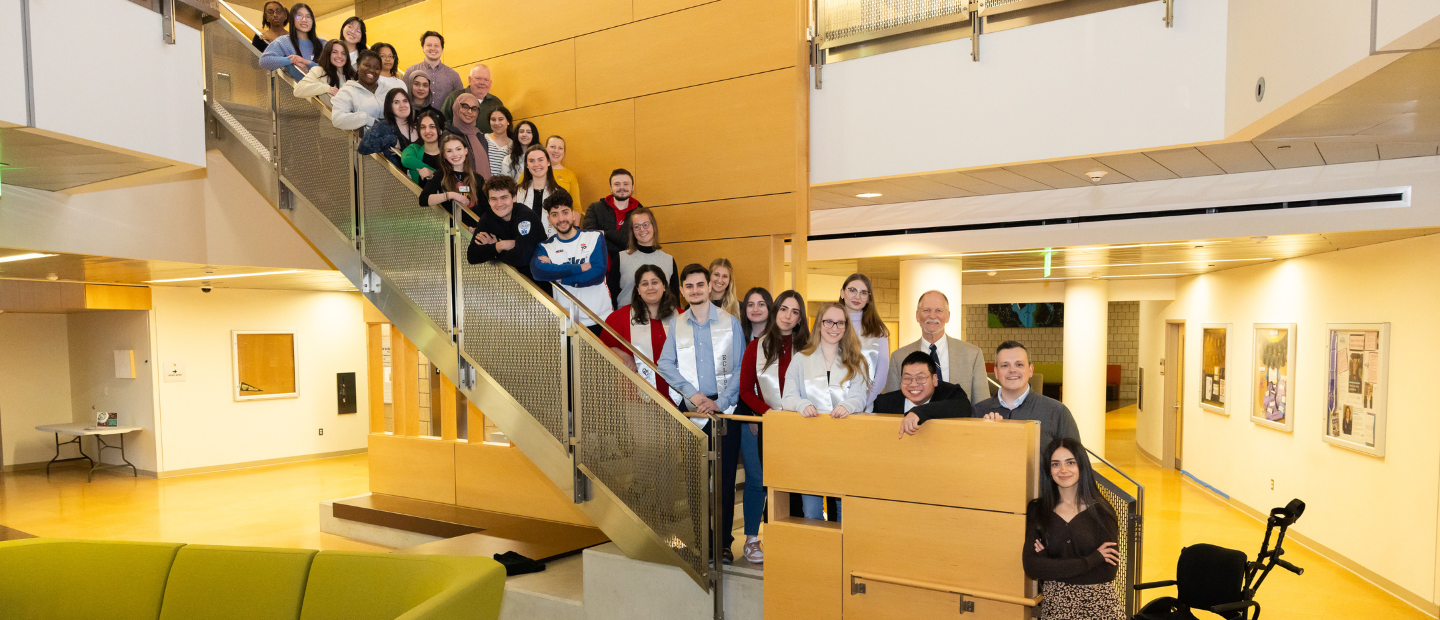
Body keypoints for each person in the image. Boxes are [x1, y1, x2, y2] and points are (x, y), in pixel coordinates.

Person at [656, 263, 747, 563]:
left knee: (724, 480)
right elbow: (665, 363)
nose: (695, 290)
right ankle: (701, 541)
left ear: (710, 286)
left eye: (700, 284)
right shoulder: (677, 324)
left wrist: (722, 401)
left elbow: (741, 366)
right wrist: (692, 395)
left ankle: (722, 543)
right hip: (692, 410)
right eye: (689, 286)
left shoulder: (731, 323)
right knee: (695, 479)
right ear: (682, 291)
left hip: (724, 410)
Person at [780, 302, 870, 521]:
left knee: (844, 510)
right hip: (810, 444)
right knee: (812, 512)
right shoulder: (801, 359)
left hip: (845, 444)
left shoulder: (856, 360)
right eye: (828, 321)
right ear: (819, 324)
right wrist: (802, 405)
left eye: (840, 323)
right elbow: (788, 397)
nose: (834, 327)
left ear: (846, 326)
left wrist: (847, 406)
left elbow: (860, 397)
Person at [737, 290, 809, 563]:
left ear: (800, 318)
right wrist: (767, 413)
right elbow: (746, 390)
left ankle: (792, 538)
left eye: (795, 312)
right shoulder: (756, 347)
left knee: (796, 483)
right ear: (775, 311)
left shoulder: (809, 349)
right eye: (784, 309)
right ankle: (752, 539)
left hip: (800, 426)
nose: (788, 316)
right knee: (760, 481)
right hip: (768, 424)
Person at [1024, 437, 1124, 620]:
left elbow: (1107, 572)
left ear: (1082, 466)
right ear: (1048, 470)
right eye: (1055, 464)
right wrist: (1093, 559)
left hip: (1101, 608)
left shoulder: (1102, 511)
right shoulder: (1037, 510)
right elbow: (1031, 567)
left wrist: (1049, 564)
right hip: (1056, 610)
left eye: (1070, 462)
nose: (1063, 470)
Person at [972, 341, 1082, 450]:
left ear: (1030, 370)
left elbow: (1076, 458)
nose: (1012, 370)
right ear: (996, 372)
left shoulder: (1057, 412)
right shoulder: (978, 412)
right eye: (1005, 365)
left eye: (1019, 364)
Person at [886, 290, 989, 406]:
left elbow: (982, 406)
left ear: (948, 316)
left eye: (938, 310)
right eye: (926, 310)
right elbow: (891, 405)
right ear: (917, 315)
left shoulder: (973, 355)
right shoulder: (898, 357)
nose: (932, 316)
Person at [532, 191, 612, 335]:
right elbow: (538, 272)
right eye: (555, 214)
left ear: (573, 214)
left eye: (565, 212)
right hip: (568, 322)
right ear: (549, 220)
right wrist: (579, 268)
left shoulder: (594, 237)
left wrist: (558, 277)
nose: (561, 219)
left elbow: (597, 275)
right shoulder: (545, 247)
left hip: (601, 318)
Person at [600, 264, 681, 405]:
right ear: (638, 289)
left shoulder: (682, 317)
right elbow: (603, 347)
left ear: (664, 286)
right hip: (636, 399)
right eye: (644, 284)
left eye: (655, 282)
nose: (650, 287)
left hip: (678, 397)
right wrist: (625, 356)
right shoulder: (620, 318)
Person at [466, 175, 545, 284]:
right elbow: (472, 256)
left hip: (539, 284)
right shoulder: (488, 218)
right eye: (494, 199)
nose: (499, 204)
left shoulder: (525, 216)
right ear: (489, 201)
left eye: (504, 197)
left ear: (514, 197)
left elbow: (522, 258)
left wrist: (495, 251)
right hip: (513, 282)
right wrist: (500, 245)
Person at [880, 352, 973, 438]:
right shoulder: (885, 402)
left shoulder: (950, 392)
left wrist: (919, 412)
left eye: (921, 377)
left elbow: (964, 407)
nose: (913, 384)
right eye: (907, 378)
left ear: (934, 379)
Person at [840, 274, 890, 411]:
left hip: (863, 406)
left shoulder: (878, 330)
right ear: (842, 293)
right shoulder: (830, 325)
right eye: (852, 290)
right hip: (830, 404)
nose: (857, 296)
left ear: (868, 298)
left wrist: (860, 403)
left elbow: (881, 374)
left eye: (863, 292)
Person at [612, 207, 679, 306]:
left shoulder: (668, 260)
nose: (642, 229)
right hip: (627, 314)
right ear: (632, 230)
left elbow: (675, 299)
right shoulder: (621, 258)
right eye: (637, 226)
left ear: (653, 226)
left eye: (646, 224)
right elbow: (611, 295)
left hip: (662, 315)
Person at [581, 170, 640, 282]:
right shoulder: (595, 208)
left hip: (631, 272)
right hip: (600, 272)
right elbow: (590, 238)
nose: (622, 187)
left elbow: (634, 242)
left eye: (626, 184)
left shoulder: (640, 212)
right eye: (617, 184)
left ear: (632, 187)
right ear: (611, 188)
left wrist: (605, 233)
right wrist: (620, 240)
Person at [418, 134, 481, 230]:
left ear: (466, 150)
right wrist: (450, 195)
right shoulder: (439, 175)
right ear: (444, 155)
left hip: (476, 232)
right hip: (453, 232)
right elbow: (423, 200)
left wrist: (480, 228)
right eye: (449, 151)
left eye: (458, 149)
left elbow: (485, 208)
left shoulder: (477, 178)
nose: (455, 154)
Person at [330, 51, 405, 130]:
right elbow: (337, 119)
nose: (372, 70)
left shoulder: (388, 91)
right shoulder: (347, 91)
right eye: (367, 66)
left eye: (376, 68)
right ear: (358, 66)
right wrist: (368, 120)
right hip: (363, 137)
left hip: (391, 136)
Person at [259, 3, 323, 80]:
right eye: (299, 16)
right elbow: (263, 61)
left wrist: (307, 62)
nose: (304, 20)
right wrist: (291, 60)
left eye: (308, 16)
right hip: (286, 83)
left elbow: (331, 69)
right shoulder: (282, 41)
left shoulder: (322, 43)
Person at [357, 89, 418, 165]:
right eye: (396, 102)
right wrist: (391, 140)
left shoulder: (419, 125)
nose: (402, 105)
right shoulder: (384, 126)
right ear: (390, 106)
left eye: (405, 101)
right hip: (398, 172)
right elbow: (363, 148)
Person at [404, 31, 462, 107]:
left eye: (436, 45)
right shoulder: (410, 72)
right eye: (429, 45)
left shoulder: (454, 76)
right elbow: (403, 98)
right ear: (423, 48)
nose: (433, 48)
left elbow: (461, 102)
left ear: (442, 49)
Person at [517, 146, 564, 237]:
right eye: (531, 161)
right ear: (527, 165)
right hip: (524, 242)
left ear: (548, 162)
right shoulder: (517, 192)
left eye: (540, 160)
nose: (536, 164)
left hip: (553, 243)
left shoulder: (560, 193)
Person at [445, 93, 490, 178]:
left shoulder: (480, 136)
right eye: (465, 107)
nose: (469, 111)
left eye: (474, 109)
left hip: (482, 185)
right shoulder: (447, 136)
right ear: (456, 107)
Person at [400, 109, 443, 184]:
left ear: (440, 131)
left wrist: (433, 173)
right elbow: (406, 159)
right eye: (423, 127)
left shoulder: (447, 154)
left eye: (432, 126)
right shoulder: (414, 149)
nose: (427, 131)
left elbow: (453, 182)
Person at [545, 135, 582, 210]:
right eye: (552, 147)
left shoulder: (570, 175)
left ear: (564, 152)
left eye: (560, 148)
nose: (556, 151)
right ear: (545, 149)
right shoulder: (533, 171)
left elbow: (576, 206)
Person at [483, 107, 518, 179]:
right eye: (493, 120)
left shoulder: (514, 145)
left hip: (505, 185)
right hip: (483, 184)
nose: (496, 123)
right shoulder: (482, 139)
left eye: (500, 119)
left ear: (508, 122)